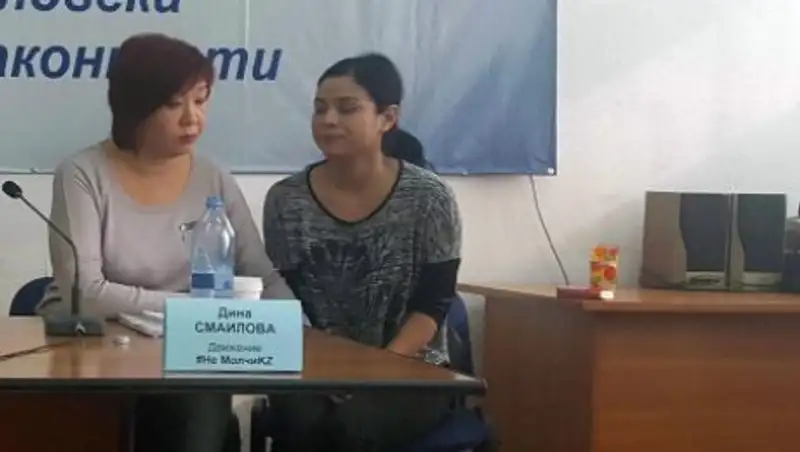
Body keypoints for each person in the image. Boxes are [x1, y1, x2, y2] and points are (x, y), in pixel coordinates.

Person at [40, 33, 287, 452]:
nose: (193, 119)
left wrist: (301, 332)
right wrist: (194, 311)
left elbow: (260, 274)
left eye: (201, 100)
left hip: (185, 354)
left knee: (197, 410)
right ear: (134, 107)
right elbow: (88, 293)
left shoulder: (212, 177)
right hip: (93, 347)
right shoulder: (82, 173)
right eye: (174, 104)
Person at [263, 53, 462, 452]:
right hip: (317, 368)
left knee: (351, 430)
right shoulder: (286, 200)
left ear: (388, 117)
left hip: (411, 368)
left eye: (347, 108)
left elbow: (433, 303)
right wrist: (326, 369)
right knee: (298, 424)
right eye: (320, 108)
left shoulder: (430, 197)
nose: (329, 120)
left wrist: (374, 369)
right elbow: (286, 300)